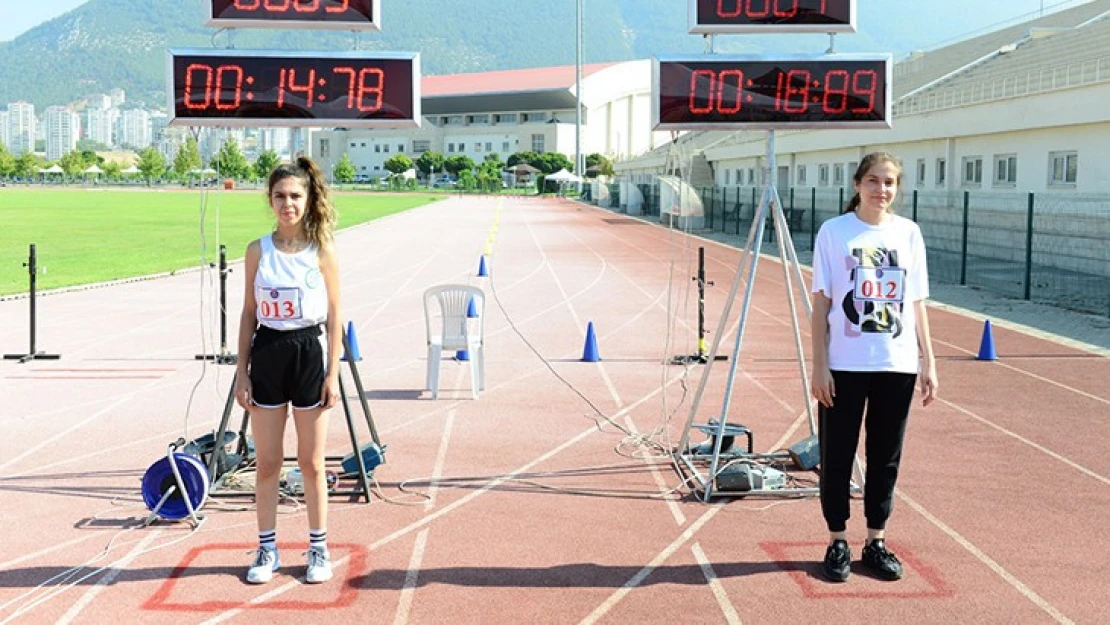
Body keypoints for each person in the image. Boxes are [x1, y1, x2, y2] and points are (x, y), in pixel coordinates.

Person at [809, 152, 938, 583]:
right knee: (837, 455)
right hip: (845, 364)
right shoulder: (834, 232)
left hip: (895, 363)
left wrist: (928, 362)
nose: (881, 190)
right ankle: (836, 541)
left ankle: (876, 540)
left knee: (885, 458)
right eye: (873, 181)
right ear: (857, 184)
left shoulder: (909, 233)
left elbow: (916, 303)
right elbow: (822, 303)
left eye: (889, 183)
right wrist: (819, 365)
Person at [234, 156, 342, 584]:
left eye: (295, 196)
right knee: (267, 462)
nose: (288, 204)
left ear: (308, 198)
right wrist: (242, 371)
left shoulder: (323, 249)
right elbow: (247, 313)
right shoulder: (257, 251)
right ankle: (267, 549)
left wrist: (332, 374)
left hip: (309, 352)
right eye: (280, 196)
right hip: (270, 351)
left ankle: (318, 548)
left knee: (312, 463)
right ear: (270, 199)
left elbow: (335, 314)